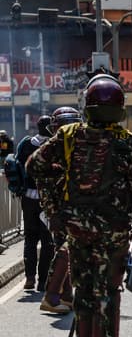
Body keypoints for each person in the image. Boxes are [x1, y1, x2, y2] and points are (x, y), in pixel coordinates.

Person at [27, 74, 132, 337]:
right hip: (115, 230)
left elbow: (34, 166)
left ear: (88, 105)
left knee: (82, 290)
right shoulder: (128, 142)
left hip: (77, 228)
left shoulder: (68, 135)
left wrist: (59, 195)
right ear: (120, 108)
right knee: (109, 291)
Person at [38, 106, 83, 314]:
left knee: (65, 251)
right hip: (58, 209)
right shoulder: (51, 149)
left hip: (73, 208)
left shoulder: (76, 147)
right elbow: (44, 184)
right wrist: (53, 213)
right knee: (65, 250)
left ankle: (66, 296)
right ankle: (52, 295)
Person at [16, 116, 55, 291]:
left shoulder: (25, 144)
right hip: (48, 201)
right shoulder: (55, 145)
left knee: (30, 239)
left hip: (28, 199)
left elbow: (17, 165)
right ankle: (43, 281)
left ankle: (29, 278)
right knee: (48, 241)